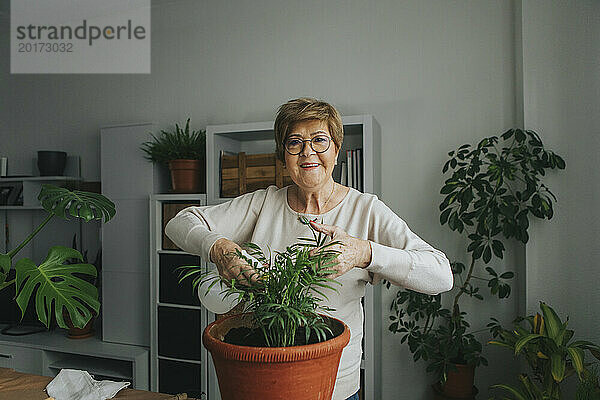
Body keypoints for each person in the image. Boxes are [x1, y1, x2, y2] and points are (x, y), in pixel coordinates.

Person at [165, 97, 453, 400]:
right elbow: (179, 223)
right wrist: (219, 247)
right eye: (294, 143)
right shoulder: (264, 202)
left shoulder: (366, 210)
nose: (308, 152)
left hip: (333, 385)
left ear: (337, 149)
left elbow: (441, 275)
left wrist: (363, 252)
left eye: (319, 140)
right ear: (283, 155)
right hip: (261, 378)